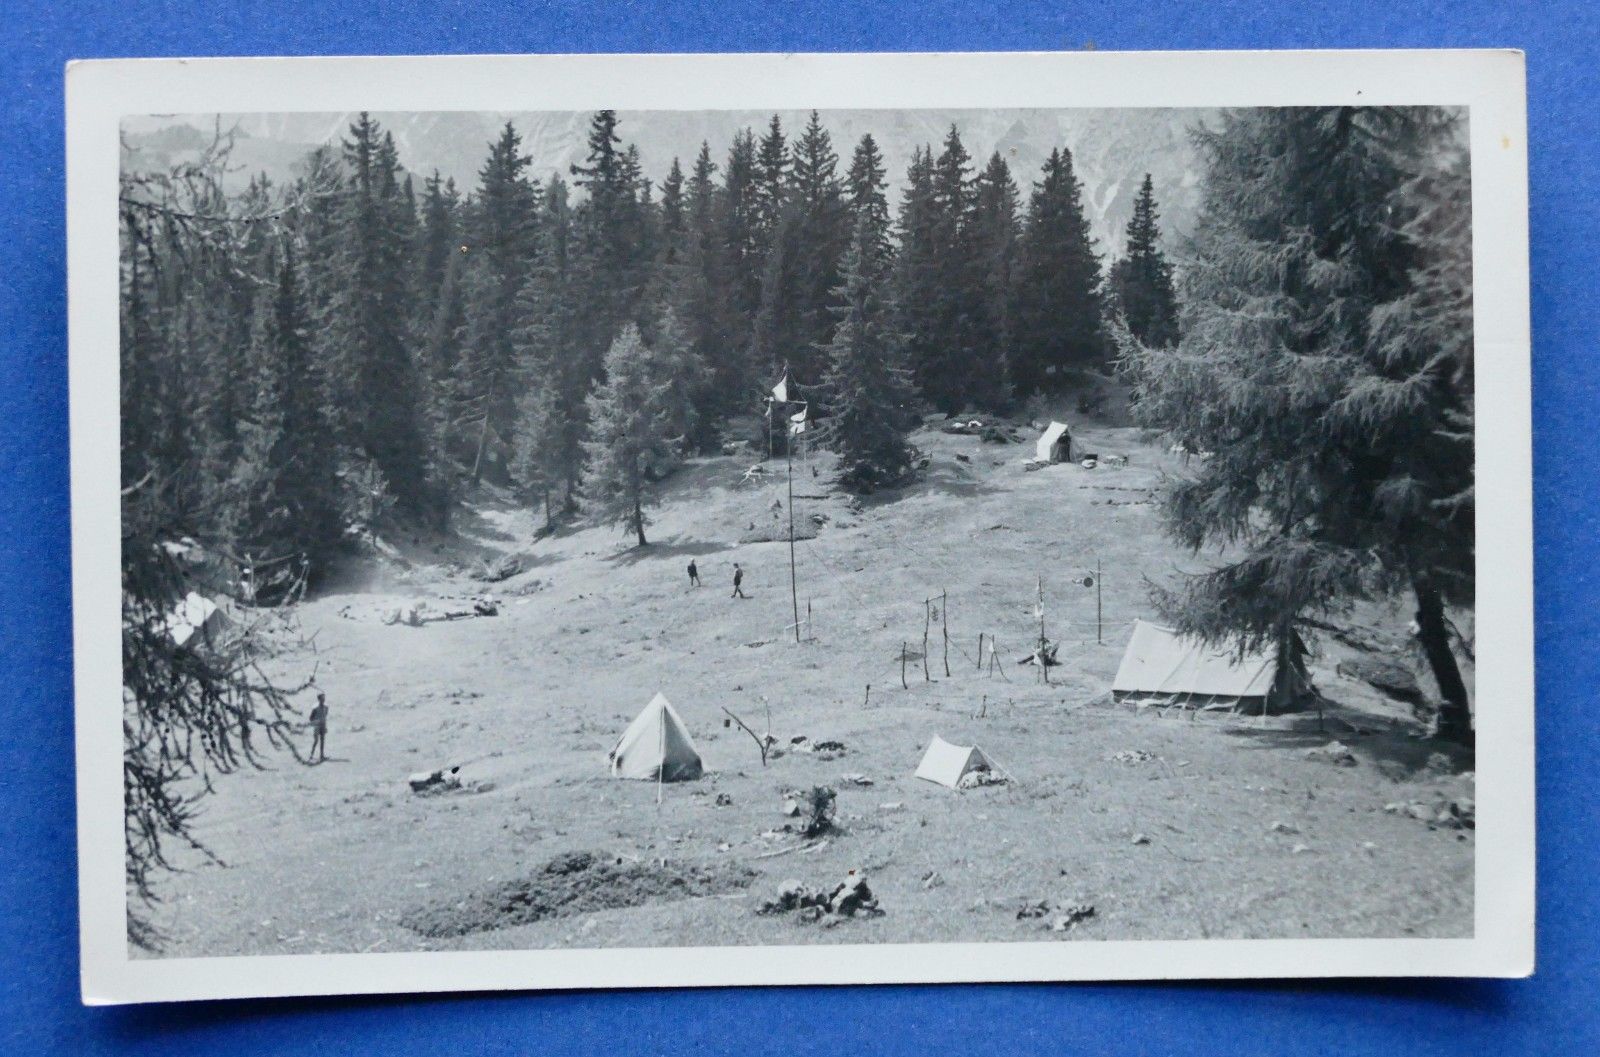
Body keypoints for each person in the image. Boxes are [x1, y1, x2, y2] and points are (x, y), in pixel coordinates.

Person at [308, 691, 329, 762]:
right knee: (316, 741)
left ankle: (321, 755)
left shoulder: (326, 707)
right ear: (319, 699)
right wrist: (316, 722)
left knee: (322, 741)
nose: (323, 699)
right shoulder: (315, 708)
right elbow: (310, 718)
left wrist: (325, 725)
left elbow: (325, 716)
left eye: (324, 698)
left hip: (323, 725)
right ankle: (311, 755)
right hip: (317, 726)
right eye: (322, 698)